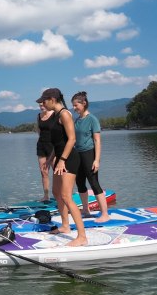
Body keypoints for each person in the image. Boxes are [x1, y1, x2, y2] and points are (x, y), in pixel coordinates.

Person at [37, 88, 87, 246]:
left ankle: (82, 236)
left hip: (69, 159)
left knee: (66, 196)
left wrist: (62, 160)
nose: (42, 104)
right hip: (59, 158)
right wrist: (50, 159)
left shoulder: (65, 114)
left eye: (44, 101)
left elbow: (71, 140)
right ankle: (65, 226)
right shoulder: (55, 116)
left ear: (52, 99)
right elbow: (57, 143)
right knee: (56, 193)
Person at [71, 91, 112, 223]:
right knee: (80, 183)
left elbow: (97, 141)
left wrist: (96, 160)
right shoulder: (77, 120)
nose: (74, 108)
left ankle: (105, 213)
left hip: (89, 153)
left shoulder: (92, 119)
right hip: (78, 154)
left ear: (84, 103)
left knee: (94, 183)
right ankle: (86, 210)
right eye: (73, 105)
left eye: (76, 105)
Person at [35, 100, 56, 201]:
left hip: (53, 146)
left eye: (42, 104)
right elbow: (39, 131)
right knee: (43, 172)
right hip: (41, 145)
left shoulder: (54, 114)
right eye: (39, 105)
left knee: (57, 171)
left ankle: (59, 194)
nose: (41, 106)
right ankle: (46, 195)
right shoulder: (39, 116)